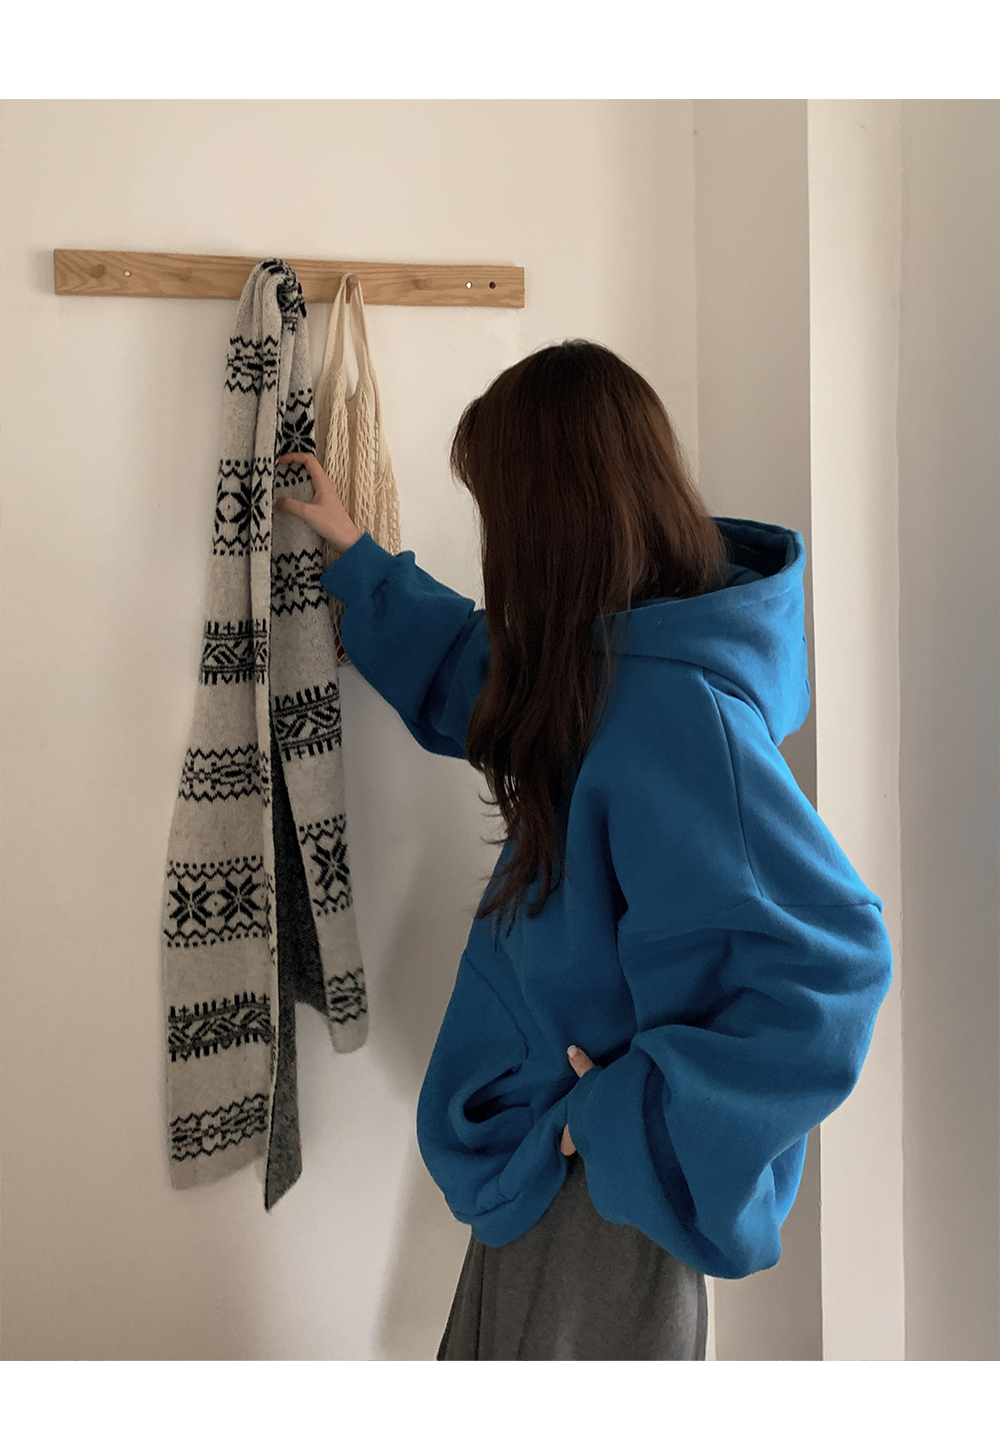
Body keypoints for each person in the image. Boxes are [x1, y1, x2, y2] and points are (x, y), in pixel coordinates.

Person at [274, 340, 893, 1361]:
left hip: (599, 1192)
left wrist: (619, 1117)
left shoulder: (673, 712)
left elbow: (833, 968)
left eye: (501, 513)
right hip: (548, 1165)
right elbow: (493, 678)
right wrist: (359, 558)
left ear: (552, 522)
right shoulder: (611, 656)